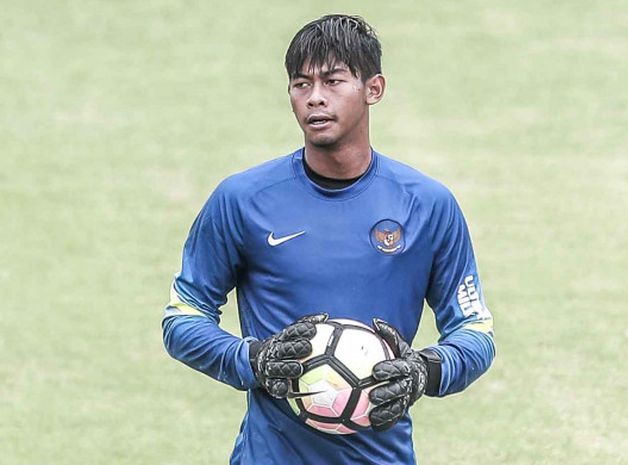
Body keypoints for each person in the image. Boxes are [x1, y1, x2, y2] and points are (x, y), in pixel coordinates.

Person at [163, 14, 495, 465]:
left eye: (333, 81)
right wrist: (253, 358)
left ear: (373, 89)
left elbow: (474, 331)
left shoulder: (427, 205)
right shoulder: (242, 200)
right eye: (301, 84)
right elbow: (183, 319)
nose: (315, 98)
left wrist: (426, 370)